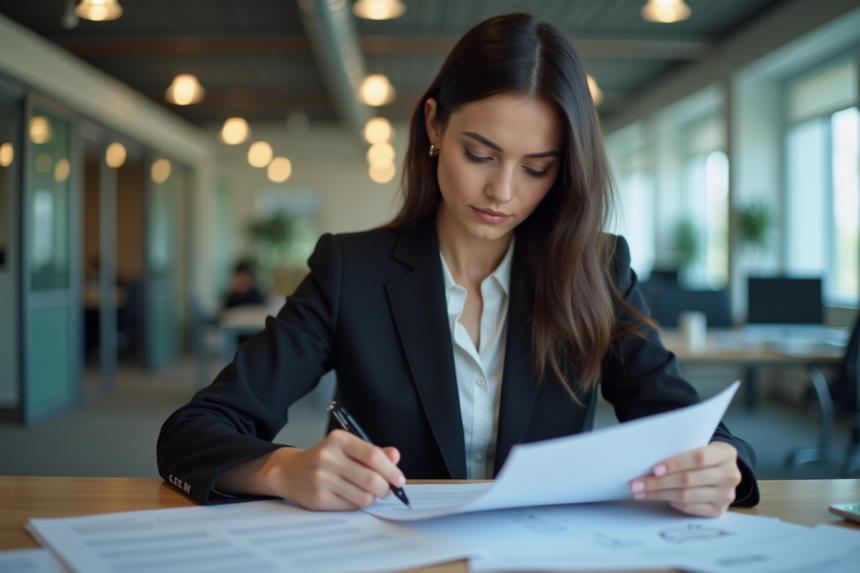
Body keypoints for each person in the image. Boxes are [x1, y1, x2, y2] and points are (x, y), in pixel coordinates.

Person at [158, 13, 758, 518]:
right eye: (480, 154)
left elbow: (693, 426)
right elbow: (191, 433)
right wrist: (283, 468)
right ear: (434, 126)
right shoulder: (351, 270)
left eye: (537, 167)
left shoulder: (596, 269)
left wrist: (723, 463)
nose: (502, 190)